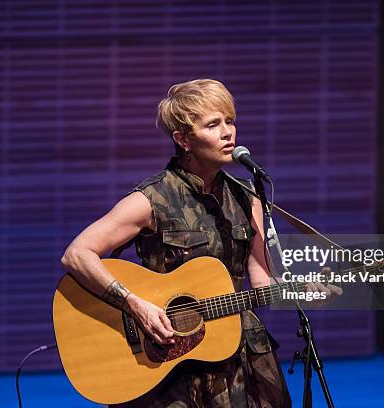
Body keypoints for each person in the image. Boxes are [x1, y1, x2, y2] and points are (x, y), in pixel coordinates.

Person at [60, 78, 341, 407]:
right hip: (167, 360)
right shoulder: (151, 199)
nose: (228, 132)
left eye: (230, 121)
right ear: (183, 140)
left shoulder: (247, 196)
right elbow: (77, 254)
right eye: (213, 124)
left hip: (236, 356)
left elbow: (263, 280)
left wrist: (301, 289)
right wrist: (136, 304)